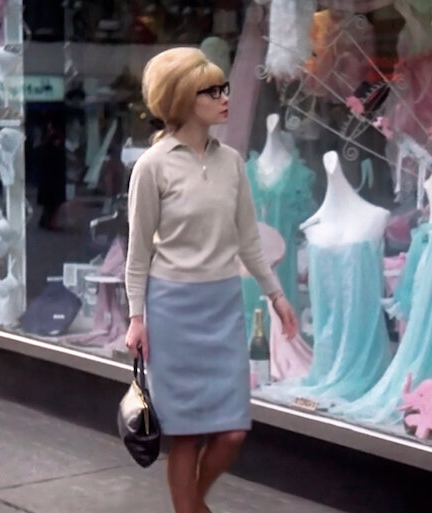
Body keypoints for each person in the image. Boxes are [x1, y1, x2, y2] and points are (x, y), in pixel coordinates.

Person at [123, 47, 298, 513]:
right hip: (172, 310)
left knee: (232, 432)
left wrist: (277, 296)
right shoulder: (152, 166)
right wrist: (136, 318)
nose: (225, 98)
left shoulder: (233, 162)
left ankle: (192, 505)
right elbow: (138, 252)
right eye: (212, 91)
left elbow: (249, 241)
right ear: (183, 99)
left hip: (223, 306)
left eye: (224, 89)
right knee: (186, 435)